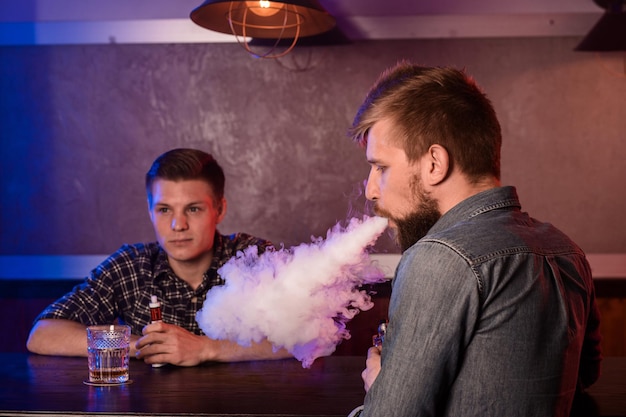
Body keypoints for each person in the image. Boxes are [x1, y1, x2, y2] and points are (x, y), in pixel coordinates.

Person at [348, 63, 602, 416]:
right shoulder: (567, 250)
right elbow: (585, 374)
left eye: (381, 168)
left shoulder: (437, 257)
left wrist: (382, 390)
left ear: (434, 163)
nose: (371, 190)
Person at [27, 148, 291, 366]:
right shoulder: (131, 265)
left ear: (219, 209)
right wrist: (144, 346)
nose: (178, 225)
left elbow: (315, 338)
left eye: (194, 209)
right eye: (164, 209)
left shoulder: (254, 258)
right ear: (150, 211)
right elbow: (42, 335)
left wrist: (206, 349)